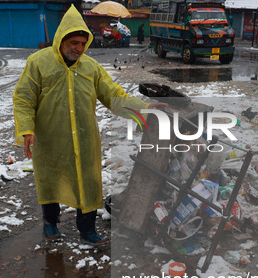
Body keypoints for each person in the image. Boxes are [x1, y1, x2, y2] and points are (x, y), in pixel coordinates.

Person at [13, 5, 164, 245]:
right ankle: (50, 223)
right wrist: (26, 130)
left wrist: (143, 108)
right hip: (50, 138)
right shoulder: (38, 63)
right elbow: (24, 97)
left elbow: (113, 96)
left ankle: (87, 230)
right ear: (61, 40)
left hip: (84, 138)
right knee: (50, 180)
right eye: (74, 43)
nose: (79, 48)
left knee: (88, 182)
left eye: (83, 44)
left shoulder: (91, 68)